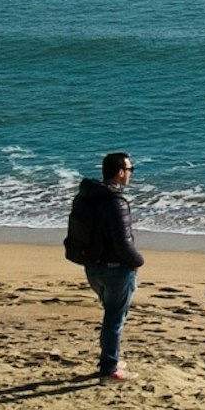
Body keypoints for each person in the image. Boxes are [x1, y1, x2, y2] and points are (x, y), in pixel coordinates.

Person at [63, 151, 145, 382]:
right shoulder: (115, 202)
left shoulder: (86, 196)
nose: (130, 174)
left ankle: (110, 359)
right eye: (130, 170)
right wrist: (138, 261)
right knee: (114, 318)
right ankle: (110, 368)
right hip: (116, 269)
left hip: (92, 266)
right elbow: (123, 242)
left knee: (111, 315)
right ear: (120, 173)